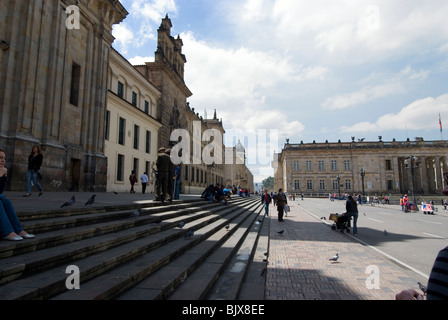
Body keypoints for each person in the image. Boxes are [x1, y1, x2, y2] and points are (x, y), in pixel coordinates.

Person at [0, 149, 36, 241]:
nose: (3, 160)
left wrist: (4, 177)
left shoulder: (3, 171)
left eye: (4, 158)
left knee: (5, 201)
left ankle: (18, 230)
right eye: (0, 158)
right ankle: (7, 232)